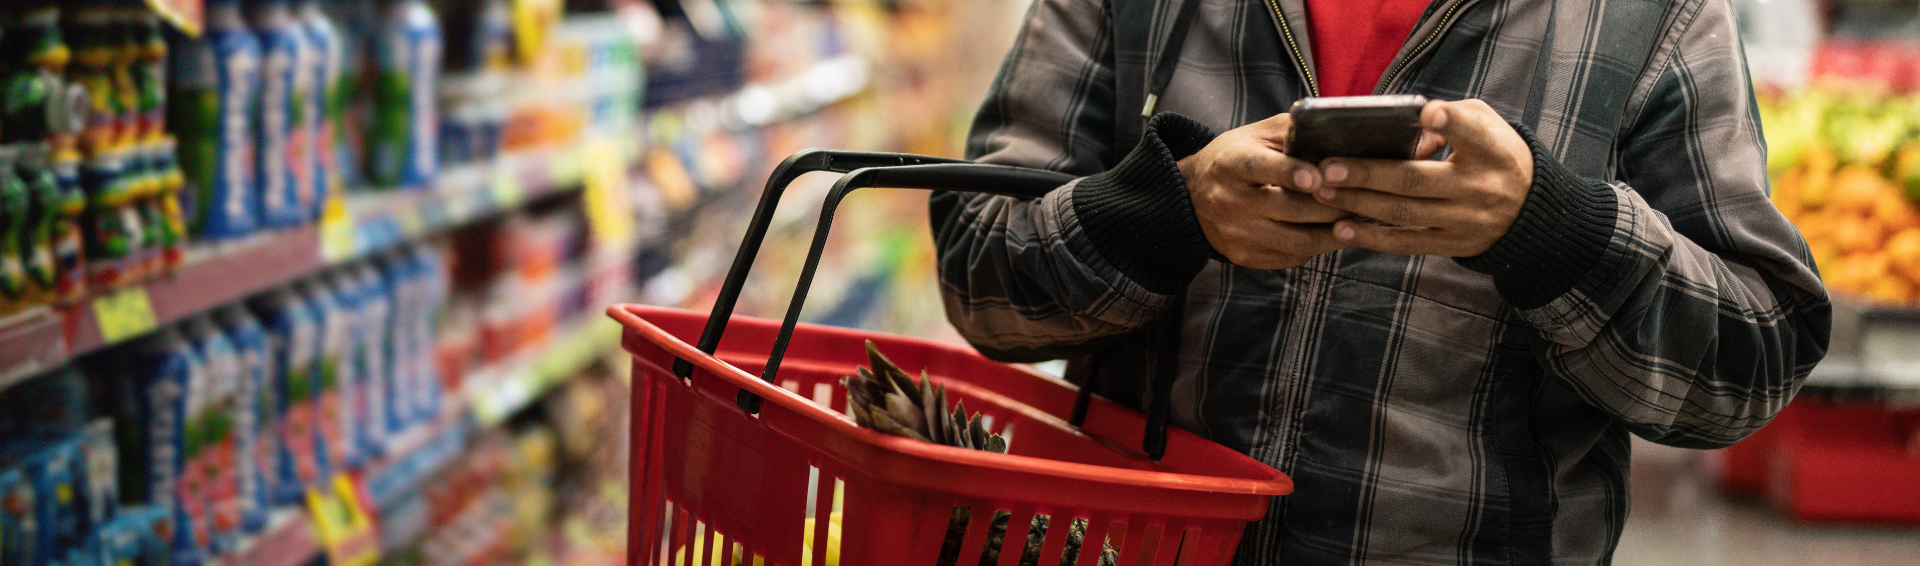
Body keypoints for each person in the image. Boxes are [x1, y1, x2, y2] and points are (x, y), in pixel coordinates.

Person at [930, 0, 1832, 563]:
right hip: (1124, 545)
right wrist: (1168, 213)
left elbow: (1749, 369)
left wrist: (1553, 233)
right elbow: (981, 278)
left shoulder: (1652, 17)